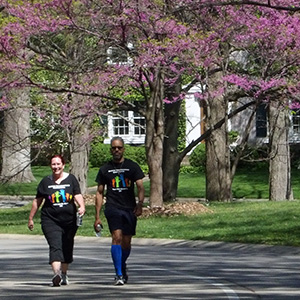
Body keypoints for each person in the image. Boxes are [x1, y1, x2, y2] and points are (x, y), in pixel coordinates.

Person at [28, 155, 85, 287]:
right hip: (50, 219)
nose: (56, 167)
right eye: (53, 164)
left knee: (67, 245)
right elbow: (38, 201)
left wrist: (81, 206)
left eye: (58, 164)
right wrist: (31, 218)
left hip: (69, 220)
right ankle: (56, 274)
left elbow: (77, 194)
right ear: (50, 166)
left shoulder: (71, 179)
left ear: (63, 165)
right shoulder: (45, 181)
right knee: (55, 245)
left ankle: (64, 274)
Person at [94, 136, 145, 286]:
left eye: (119, 148)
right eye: (114, 148)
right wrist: (97, 216)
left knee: (126, 242)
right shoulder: (105, 169)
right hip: (112, 207)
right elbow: (99, 192)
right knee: (116, 237)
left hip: (129, 208)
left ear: (123, 149)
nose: (116, 150)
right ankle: (119, 274)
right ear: (111, 149)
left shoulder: (132, 166)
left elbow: (140, 187)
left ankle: (121, 264)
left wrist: (140, 204)